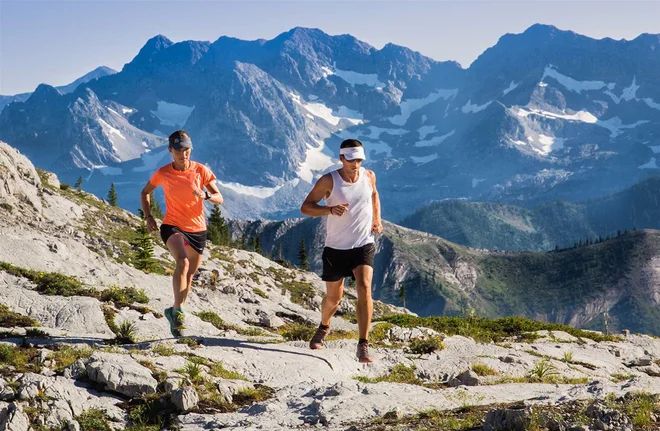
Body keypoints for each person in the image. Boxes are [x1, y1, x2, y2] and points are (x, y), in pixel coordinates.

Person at [300, 138, 383, 363]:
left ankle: (363, 344)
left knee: (364, 287)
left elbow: (374, 194)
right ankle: (324, 325)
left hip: (363, 244)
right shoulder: (329, 181)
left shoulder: (369, 176)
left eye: (359, 159)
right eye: (351, 159)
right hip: (336, 247)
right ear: (341, 158)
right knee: (333, 299)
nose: (355, 164)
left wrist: (377, 219)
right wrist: (329, 209)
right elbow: (306, 207)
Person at [140, 130, 223, 336]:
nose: (183, 154)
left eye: (186, 150)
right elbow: (145, 192)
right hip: (172, 225)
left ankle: (175, 310)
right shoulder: (164, 173)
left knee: (191, 273)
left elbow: (219, 197)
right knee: (183, 263)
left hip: (197, 228)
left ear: (191, 149)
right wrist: (149, 216)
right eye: (178, 150)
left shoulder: (200, 171)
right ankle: (178, 313)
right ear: (170, 150)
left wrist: (205, 195)